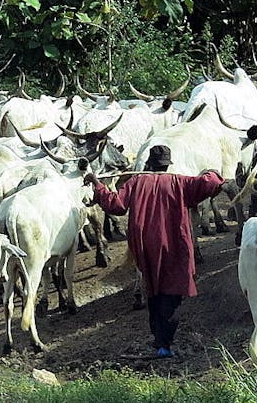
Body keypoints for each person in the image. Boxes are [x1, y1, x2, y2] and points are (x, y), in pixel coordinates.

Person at [86, 145, 225, 358]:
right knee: (171, 292)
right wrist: (211, 171)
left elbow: (115, 205)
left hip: (145, 248)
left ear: (149, 164)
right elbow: (213, 183)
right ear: (167, 165)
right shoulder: (180, 183)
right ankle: (164, 344)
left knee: (153, 290)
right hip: (174, 247)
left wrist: (97, 184)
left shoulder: (136, 182)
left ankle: (158, 339)